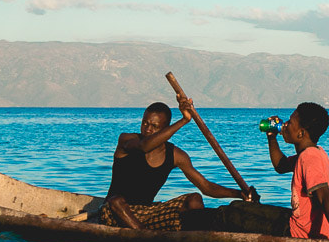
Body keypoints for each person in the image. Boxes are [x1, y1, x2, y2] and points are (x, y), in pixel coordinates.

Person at [104, 96, 257, 232]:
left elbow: (206, 187)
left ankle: (197, 237)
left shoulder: (177, 155)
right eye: (145, 123)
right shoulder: (126, 140)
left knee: (194, 199)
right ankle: (146, 237)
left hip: (146, 213)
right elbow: (145, 147)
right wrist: (184, 120)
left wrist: (239, 194)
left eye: (155, 126)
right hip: (114, 211)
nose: (148, 129)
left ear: (165, 129)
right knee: (116, 201)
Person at [263, 101, 329, 242]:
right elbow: (280, 166)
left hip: (299, 233)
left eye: (290, 122)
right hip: (297, 223)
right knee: (241, 208)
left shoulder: (309, 158)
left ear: (301, 133)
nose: (285, 125)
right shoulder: (312, 153)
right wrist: (271, 136)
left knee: (231, 216)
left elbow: (324, 195)